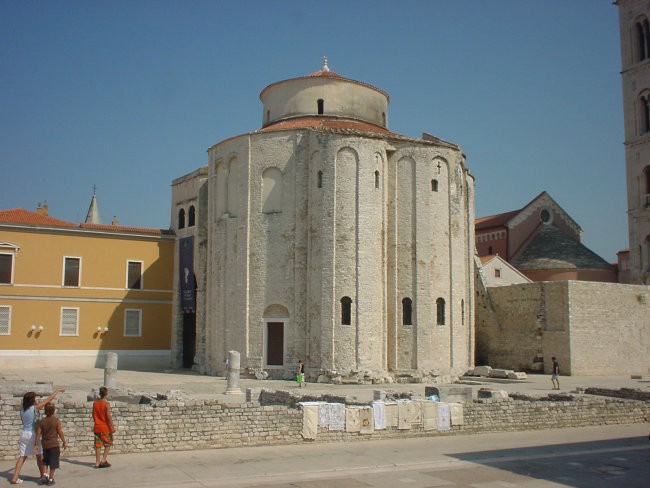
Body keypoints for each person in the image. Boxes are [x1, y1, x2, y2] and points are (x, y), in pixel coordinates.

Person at [10, 388, 65, 485]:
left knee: (22, 456)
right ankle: (43, 474)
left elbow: (24, 422)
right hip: (32, 434)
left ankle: (15, 477)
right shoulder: (35, 408)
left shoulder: (22, 410)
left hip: (24, 434)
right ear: (32, 400)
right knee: (39, 455)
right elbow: (48, 399)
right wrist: (58, 390)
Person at [34, 402, 67, 486]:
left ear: (45, 411)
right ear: (53, 410)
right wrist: (64, 441)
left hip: (45, 444)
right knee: (53, 462)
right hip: (54, 444)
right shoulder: (56, 421)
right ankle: (51, 479)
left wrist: (36, 444)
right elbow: (60, 432)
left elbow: (38, 434)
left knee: (45, 460)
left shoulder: (41, 422)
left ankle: (44, 474)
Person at [92, 386, 116, 468]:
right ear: (106, 394)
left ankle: (97, 462)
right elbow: (108, 416)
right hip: (105, 427)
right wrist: (112, 427)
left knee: (98, 445)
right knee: (108, 443)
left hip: (97, 427)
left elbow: (93, 415)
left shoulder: (95, 403)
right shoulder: (106, 404)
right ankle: (103, 459)